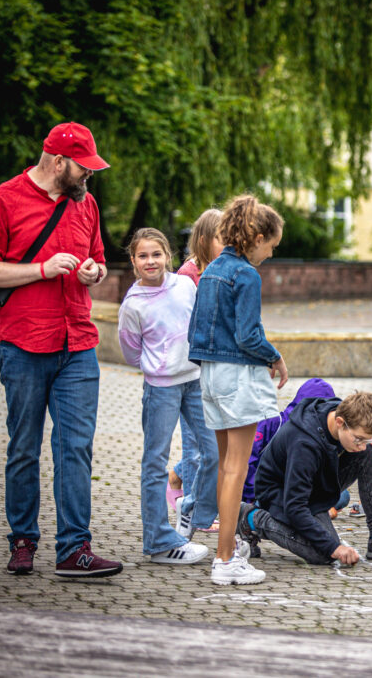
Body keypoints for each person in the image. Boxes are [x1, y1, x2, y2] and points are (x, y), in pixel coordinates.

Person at [0, 122, 122, 578]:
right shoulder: (1, 201)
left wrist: (92, 272)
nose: (88, 177)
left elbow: (94, 256)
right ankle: (22, 540)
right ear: (58, 162)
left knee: (76, 448)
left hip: (78, 341)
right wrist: (41, 269)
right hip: (23, 342)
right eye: (84, 168)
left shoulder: (85, 204)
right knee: (24, 447)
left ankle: (75, 548)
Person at [188, 194, 289, 585]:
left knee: (226, 466)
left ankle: (226, 550)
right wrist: (275, 356)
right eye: (271, 246)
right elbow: (248, 334)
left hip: (210, 376)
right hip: (236, 376)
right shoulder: (246, 274)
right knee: (236, 467)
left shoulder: (211, 270)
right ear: (258, 236)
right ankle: (226, 557)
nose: (270, 254)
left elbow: (197, 333)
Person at [117, 228, 216, 565]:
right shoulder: (132, 304)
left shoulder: (185, 285)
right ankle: (159, 541)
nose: (150, 261)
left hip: (195, 381)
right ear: (133, 261)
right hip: (160, 388)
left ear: (167, 257)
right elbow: (131, 353)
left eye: (156, 254)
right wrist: (158, 364)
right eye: (142, 256)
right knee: (155, 463)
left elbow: (199, 325)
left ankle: (192, 510)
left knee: (214, 451)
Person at [237, 392, 372, 566]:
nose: (361, 446)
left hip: (315, 483)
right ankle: (252, 517)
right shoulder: (304, 444)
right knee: (323, 554)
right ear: (339, 423)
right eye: (358, 439)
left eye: (364, 439)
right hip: (282, 494)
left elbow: (363, 441)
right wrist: (333, 547)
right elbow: (295, 507)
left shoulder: (344, 416)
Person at [168, 209, 224, 514]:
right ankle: (193, 508)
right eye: (220, 238)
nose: (227, 244)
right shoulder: (188, 276)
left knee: (212, 441)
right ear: (203, 240)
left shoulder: (222, 269)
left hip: (215, 370)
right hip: (191, 372)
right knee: (194, 445)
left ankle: (179, 479)